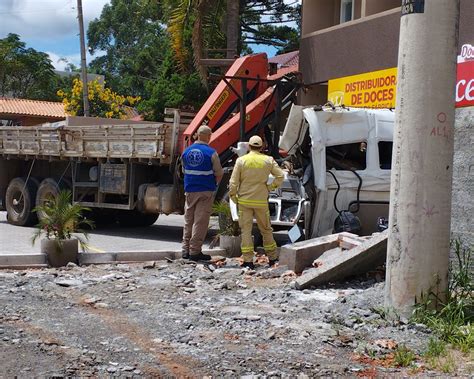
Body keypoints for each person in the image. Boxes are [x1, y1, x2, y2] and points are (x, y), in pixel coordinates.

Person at [228, 135, 285, 269]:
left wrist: (233, 196)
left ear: (249, 146)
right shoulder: (268, 160)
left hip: (244, 201)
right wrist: (271, 187)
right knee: (266, 230)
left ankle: (248, 261)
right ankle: (272, 258)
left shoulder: (241, 161)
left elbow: (233, 182)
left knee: (246, 231)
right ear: (262, 147)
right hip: (261, 201)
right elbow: (280, 176)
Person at [181, 125, 223, 261]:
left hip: (189, 190)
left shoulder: (186, 152)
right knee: (200, 221)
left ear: (198, 135)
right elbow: (219, 173)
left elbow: (183, 171)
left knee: (188, 221)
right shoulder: (211, 153)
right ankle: (195, 252)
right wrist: (214, 185)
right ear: (208, 136)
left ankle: (185, 250)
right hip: (205, 191)